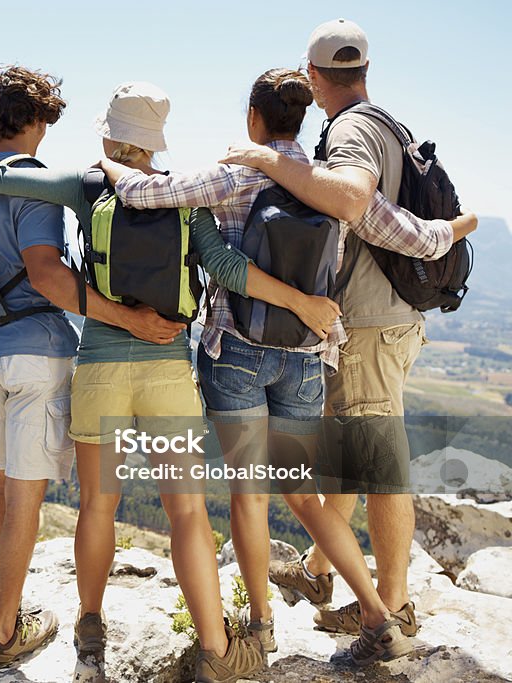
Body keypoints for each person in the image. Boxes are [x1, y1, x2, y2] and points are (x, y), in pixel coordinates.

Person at [0, 81, 343, 683]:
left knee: (99, 504)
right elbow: (229, 268)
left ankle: (90, 625)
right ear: (156, 140)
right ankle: (217, 649)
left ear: (109, 132)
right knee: (185, 512)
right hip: (168, 377)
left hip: (99, 370)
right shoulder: (182, 196)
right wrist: (303, 304)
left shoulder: (85, 185)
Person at [101, 67, 474, 666]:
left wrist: (114, 167)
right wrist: (457, 228)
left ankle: (263, 627)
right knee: (302, 495)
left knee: (250, 496)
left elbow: (141, 194)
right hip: (306, 355)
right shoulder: (333, 185)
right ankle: (379, 612)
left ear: (253, 118)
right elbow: (416, 238)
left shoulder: (233, 176)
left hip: (237, 352)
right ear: (301, 121)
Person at [219, 18, 477, 657]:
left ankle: (393, 608)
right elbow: (404, 225)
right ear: (364, 70)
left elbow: (353, 199)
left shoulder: (355, 130)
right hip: (382, 321)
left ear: (313, 77)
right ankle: (319, 572)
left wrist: (268, 159)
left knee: (378, 456)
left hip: (367, 323)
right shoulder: (386, 121)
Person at [0, 66, 187, 668]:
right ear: (33, 120)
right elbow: (47, 274)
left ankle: (9, 609)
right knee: (27, 490)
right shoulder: (34, 182)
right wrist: (126, 318)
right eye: (46, 124)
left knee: (1, 483)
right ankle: (5, 629)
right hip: (35, 348)